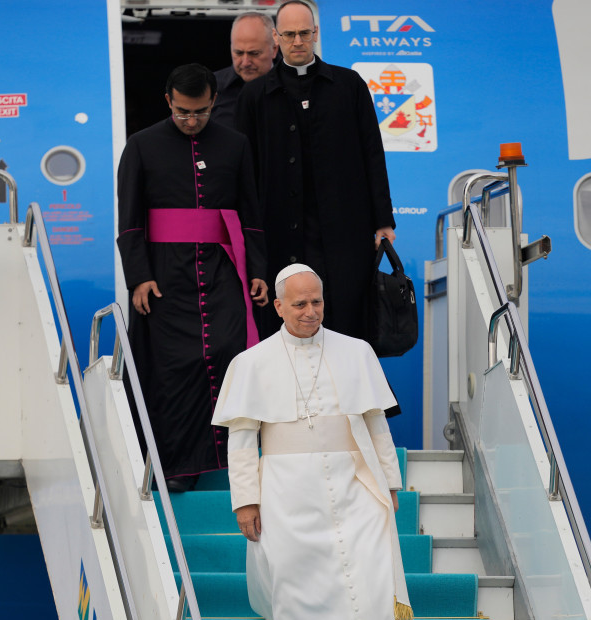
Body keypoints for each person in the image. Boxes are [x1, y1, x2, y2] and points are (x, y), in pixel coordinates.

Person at [212, 264, 412, 620]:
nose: (310, 312)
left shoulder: (357, 351)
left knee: (371, 577)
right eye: (300, 304)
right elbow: (241, 441)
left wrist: (391, 483)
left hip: (356, 486)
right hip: (287, 494)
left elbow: (376, 423)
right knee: (296, 585)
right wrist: (246, 501)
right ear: (278, 307)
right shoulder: (251, 362)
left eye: (316, 302)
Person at [117, 63, 268, 492]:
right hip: (164, 276)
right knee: (171, 368)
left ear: (213, 102)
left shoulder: (235, 145)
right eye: (183, 112)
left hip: (221, 270)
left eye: (199, 112)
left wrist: (257, 271)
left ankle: (224, 459)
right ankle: (175, 467)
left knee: (224, 351)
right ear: (168, 102)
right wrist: (138, 277)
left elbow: (251, 216)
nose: (191, 120)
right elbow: (129, 222)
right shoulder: (142, 146)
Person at [236, 0, 397, 341]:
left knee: (346, 320)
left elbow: (373, 154)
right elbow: (242, 172)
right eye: (290, 34)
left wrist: (383, 220)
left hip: (343, 232)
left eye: (304, 33)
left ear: (316, 33)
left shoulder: (349, 85)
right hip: (277, 231)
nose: (298, 41)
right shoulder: (253, 96)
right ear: (276, 38)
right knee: (281, 327)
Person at [212, 12, 277, 129]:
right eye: (239, 53)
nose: (245, 62)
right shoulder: (211, 87)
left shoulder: (295, 86)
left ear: (274, 50)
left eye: (254, 53)